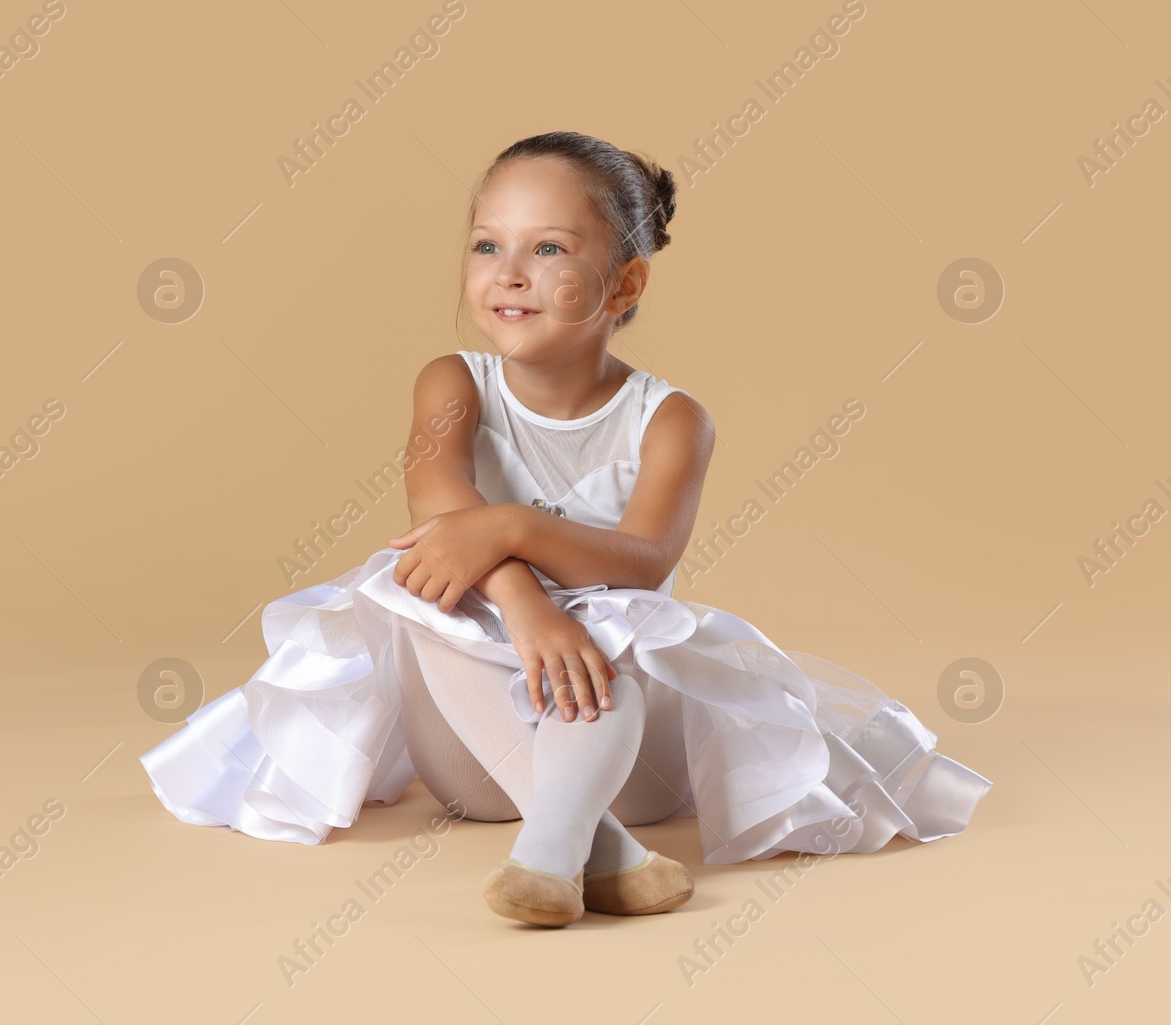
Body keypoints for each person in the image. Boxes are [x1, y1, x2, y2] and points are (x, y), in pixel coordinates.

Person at [138, 130, 992, 928]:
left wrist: (509, 527)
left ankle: (561, 846)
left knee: (621, 627)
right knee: (406, 584)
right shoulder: (452, 382)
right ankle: (599, 857)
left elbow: (645, 562)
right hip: (480, 760)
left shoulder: (671, 419)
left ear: (622, 285)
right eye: (486, 245)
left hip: (625, 758)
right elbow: (437, 508)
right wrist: (519, 597)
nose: (508, 272)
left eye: (548, 249)